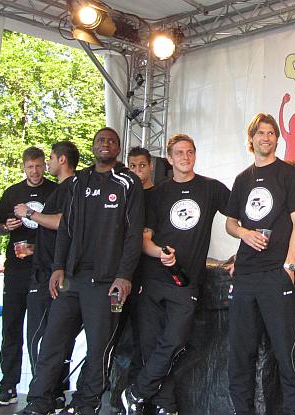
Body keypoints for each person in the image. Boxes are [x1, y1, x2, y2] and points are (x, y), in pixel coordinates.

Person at [15, 127, 144, 415]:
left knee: (98, 348)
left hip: (107, 281)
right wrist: (58, 266)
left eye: (111, 141)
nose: (105, 144)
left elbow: (134, 234)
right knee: (53, 341)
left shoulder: (128, 182)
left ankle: (86, 404)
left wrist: (124, 275)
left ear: (118, 149)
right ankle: (40, 401)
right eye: (100, 140)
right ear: (93, 147)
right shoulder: (78, 181)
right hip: (72, 278)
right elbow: (66, 228)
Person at [122, 134, 230, 415]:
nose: (185, 157)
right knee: (151, 346)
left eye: (190, 152)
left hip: (186, 283)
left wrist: (243, 252)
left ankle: (136, 392)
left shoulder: (211, 188)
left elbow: (242, 214)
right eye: (179, 153)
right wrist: (161, 253)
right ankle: (164, 404)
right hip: (153, 280)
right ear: (169, 159)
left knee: (174, 342)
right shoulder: (157, 193)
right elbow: (144, 240)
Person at [224, 113, 295, 415]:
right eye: (260, 133)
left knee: (286, 354)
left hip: (276, 275)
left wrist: (290, 266)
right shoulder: (242, 179)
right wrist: (244, 233)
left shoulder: (288, 174)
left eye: (271, 133)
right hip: (245, 276)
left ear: (277, 138)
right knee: (241, 355)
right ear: (251, 139)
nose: (266, 137)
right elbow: (230, 223)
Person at [14, 141, 80, 410]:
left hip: (51, 274)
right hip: (48, 266)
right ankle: (51, 392)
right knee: (54, 336)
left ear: (62, 159)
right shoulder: (69, 187)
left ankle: (42, 393)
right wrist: (35, 248)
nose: (48, 164)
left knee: (40, 337)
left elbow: (64, 222)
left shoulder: (71, 187)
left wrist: (29, 213)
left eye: (50, 158)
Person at [0, 147, 57, 406]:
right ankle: (8, 385)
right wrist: (6, 226)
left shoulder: (54, 191)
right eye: (30, 167)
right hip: (16, 270)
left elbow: (63, 228)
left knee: (42, 331)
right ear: (24, 167)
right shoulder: (13, 192)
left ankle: (43, 388)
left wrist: (37, 248)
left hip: (44, 270)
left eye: (39, 166)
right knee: (11, 327)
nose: (35, 171)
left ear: (45, 165)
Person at [109, 146, 156, 414]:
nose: (138, 171)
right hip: (120, 275)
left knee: (142, 339)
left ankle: (136, 396)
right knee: (112, 335)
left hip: (146, 277)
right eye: (133, 166)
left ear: (151, 166)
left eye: (142, 165)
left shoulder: (158, 195)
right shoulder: (123, 194)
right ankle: (112, 394)